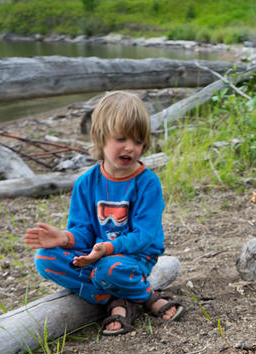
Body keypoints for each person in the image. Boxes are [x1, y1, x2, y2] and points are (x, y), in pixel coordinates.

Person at [23, 90, 182, 335]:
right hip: (98, 255)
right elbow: (84, 232)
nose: (130, 147)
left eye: (138, 141)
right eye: (121, 138)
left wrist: (106, 249)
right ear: (99, 136)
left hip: (135, 257)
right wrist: (64, 238)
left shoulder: (147, 183)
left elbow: (145, 235)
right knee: (46, 259)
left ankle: (147, 296)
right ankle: (114, 299)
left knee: (111, 268)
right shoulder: (86, 183)